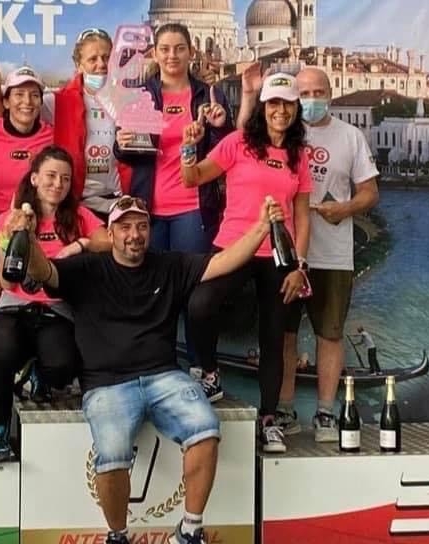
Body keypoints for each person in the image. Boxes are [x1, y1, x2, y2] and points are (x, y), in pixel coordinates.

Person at [12, 194, 286, 544]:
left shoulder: (168, 265)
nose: (134, 235)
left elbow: (223, 262)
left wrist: (262, 227)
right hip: (107, 384)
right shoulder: (87, 268)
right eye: (125, 227)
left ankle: (189, 531)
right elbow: (43, 271)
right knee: (112, 455)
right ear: (111, 233)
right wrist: (28, 238)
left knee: (205, 429)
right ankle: (118, 536)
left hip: (165, 377)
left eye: (141, 226)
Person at [237, 66, 380, 441]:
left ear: (330, 94)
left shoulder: (350, 137)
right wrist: (248, 94)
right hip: (282, 255)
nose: (312, 99)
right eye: (305, 93)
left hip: (332, 254)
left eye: (319, 92)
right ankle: (284, 409)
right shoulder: (279, 135)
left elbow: (370, 192)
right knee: (284, 334)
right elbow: (239, 145)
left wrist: (345, 208)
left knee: (329, 334)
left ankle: (326, 412)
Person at [182, 72, 311, 454]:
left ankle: (269, 420)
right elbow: (193, 178)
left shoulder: (299, 154)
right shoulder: (238, 142)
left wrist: (300, 267)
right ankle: (209, 372)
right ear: (263, 107)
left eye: (288, 104)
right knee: (199, 304)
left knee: (274, 337)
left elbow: (302, 216)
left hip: (279, 254)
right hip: (233, 244)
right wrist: (188, 149)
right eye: (274, 103)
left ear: (295, 108)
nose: (280, 111)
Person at [0, 146, 109, 463]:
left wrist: (79, 244)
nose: (58, 184)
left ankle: (37, 373)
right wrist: (14, 237)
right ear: (34, 178)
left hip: (57, 308)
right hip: (14, 305)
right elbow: (6, 282)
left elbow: (108, 240)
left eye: (65, 179)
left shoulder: (78, 216)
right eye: (51, 176)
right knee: (1, 355)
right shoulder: (9, 219)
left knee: (61, 367)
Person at [0, 28, 131, 218]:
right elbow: (13, 118)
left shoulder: (128, 99)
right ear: (79, 64)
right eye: (92, 59)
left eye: (106, 57)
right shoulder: (57, 101)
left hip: (119, 201)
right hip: (77, 204)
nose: (101, 64)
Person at [114, 22, 231, 253]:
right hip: (148, 207)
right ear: (155, 53)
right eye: (165, 49)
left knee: (189, 273)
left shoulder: (209, 95)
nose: (172, 56)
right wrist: (122, 144)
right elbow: (125, 155)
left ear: (191, 51)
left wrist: (220, 127)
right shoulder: (138, 96)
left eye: (179, 49)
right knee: (153, 274)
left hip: (194, 207)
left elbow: (225, 152)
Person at [0, 65, 54, 317]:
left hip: (31, 227)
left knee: (31, 313)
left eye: (34, 95)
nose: (27, 102)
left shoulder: (53, 136)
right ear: (5, 101)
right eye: (19, 94)